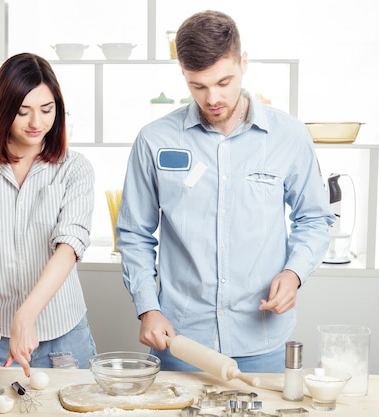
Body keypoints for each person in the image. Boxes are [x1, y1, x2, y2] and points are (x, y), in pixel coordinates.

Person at [116, 10, 334, 373]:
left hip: (262, 340)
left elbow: (314, 218)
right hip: (180, 342)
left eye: (223, 81)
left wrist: (294, 273)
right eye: (197, 86)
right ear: (183, 75)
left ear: (243, 63)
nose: (212, 97)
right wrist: (148, 307)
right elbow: (134, 233)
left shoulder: (289, 136)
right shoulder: (154, 140)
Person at [0, 52, 97, 377]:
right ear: (3, 110)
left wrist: (27, 314)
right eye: (23, 111)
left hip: (63, 335)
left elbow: (69, 247)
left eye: (46, 109)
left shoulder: (74, 170)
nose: (36, 122)